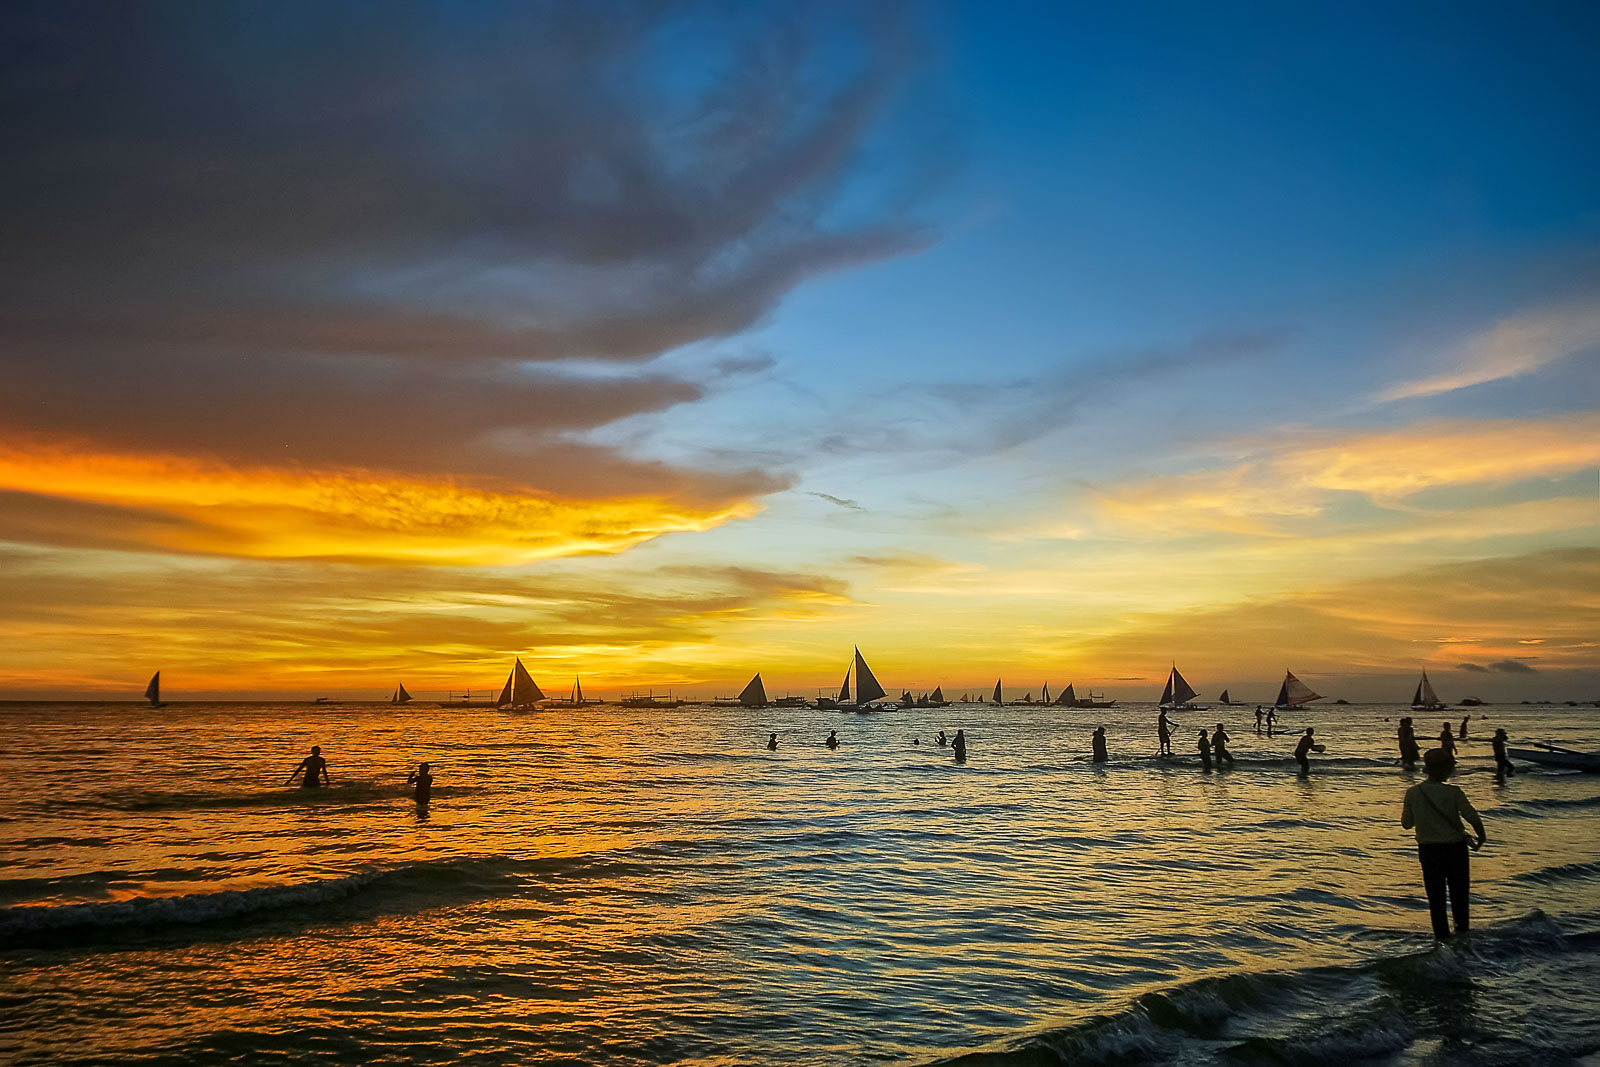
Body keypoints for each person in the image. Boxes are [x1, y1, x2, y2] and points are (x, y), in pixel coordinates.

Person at [1401, 748, 1486, 939]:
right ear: (1444, 769)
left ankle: (1441, 941)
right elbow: (1472, 816)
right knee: (1459, 896)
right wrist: (1481, 837)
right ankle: (1462, 936)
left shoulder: (1413, 793)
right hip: (1456, 849)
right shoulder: (1454, 792)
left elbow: (1407, 824)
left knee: (1436, 899)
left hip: (1429, 851)